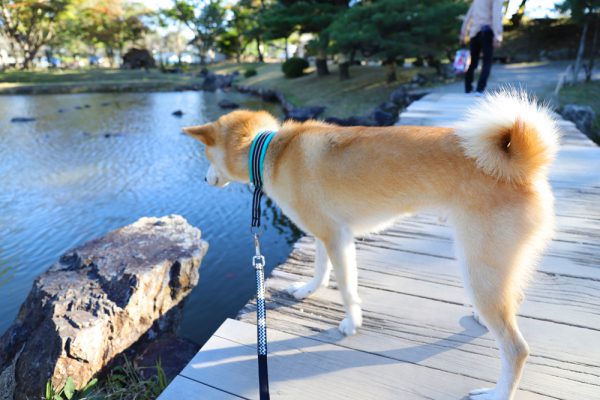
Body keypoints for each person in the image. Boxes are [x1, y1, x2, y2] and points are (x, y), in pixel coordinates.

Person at [460, 0, 503, 94]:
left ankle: (468, 88)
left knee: (473, 63)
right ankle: (480, 89)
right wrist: (498, 35)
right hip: (487, 32)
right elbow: (496, 15)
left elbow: (468, 16)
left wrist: (463, 32)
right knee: (487, 62)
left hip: (474, 33)